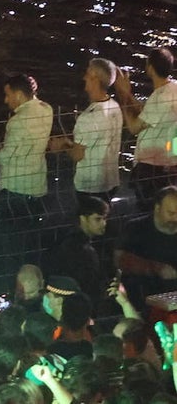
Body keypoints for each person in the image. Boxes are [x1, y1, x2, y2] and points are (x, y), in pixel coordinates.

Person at [0, 74, 53, 258]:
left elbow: (7, 155)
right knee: (31, 244)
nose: (6, 100)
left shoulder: (17, 121)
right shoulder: (47, 109)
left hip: (15, 192)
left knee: (11, 245)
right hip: (37, 189)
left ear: (19, 95)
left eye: (8, 95)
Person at [48, 58, 123, 202]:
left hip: (90, 187)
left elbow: (78, 155)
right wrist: (70, 143)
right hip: (111, 181)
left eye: (87, 74)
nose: (84, 77)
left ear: (95, 78)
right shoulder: (115, 107)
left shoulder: (88, 117)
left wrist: (62, 145)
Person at [115, 48, 177, 204]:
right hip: (170, 162)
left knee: (148, 208)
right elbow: (147, 112)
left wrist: (123, 96)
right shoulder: (172, 89)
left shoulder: (160, 98)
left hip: (153, 168)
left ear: (150, 68)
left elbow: (134, 127)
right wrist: (128, 94)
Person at [43, 194, 111, 309]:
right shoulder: (80, 249)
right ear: (83, 219)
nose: (104, 223)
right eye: (98, 219)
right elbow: (88, 286)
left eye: (105, 218)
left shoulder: (70, 241)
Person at [115, 186, 177, 308]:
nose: (175, 218)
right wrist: (156, 268)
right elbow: (119, 259)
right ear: (157, 208)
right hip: (142, 297)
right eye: (171, 213)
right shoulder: (135, 228)